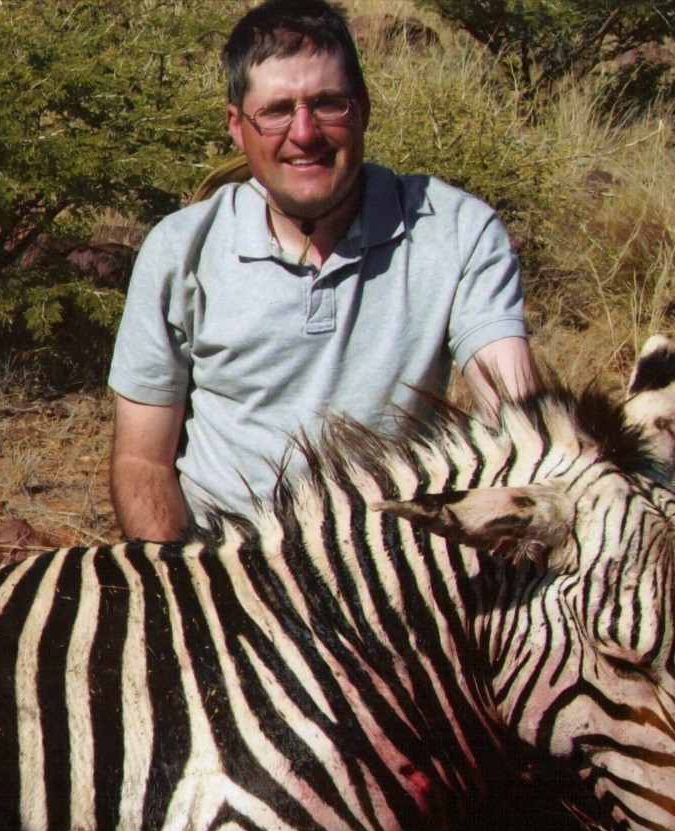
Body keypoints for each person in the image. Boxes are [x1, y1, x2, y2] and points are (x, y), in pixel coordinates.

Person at [107, 0, 536, 539]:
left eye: (327, 104)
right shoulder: (179, 249)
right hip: (222, 576)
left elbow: (518, 426)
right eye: (277, 110)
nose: (305, 132)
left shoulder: (457, 231)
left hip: (391, 566)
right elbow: (143, 462)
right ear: (237, 126)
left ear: (364, 108)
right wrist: (173, 587)